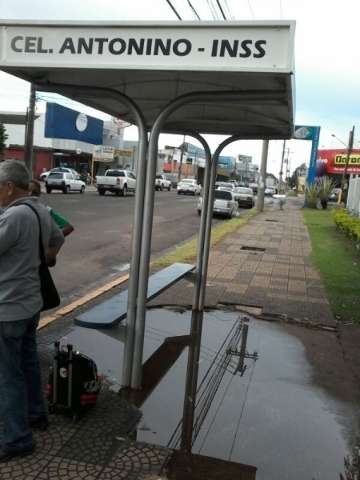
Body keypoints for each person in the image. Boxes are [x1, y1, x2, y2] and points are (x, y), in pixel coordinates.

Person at [0, 160, 64, 462]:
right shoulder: (39, 209)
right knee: (27, 364)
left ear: (9, 187)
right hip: (31, 304)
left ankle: (17, 438)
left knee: (7, 375)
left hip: (8, 307)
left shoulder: (13, 217)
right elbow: (58, 237)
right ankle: (36, 415)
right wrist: (41, 261)